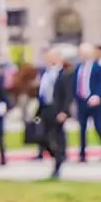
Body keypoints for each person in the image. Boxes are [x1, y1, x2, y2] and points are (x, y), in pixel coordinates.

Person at [35, 48, 73, 179]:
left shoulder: (64, 74)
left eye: (50, 57)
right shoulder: (45, 73)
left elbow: (68, 95)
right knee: (43, 136)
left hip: (57, 109)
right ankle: (56, 155)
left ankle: (59, 161)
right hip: (45, 108)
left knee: (58, 135)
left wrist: (64, 111)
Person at [73, 42, 101, 162]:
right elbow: (75, 84)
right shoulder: (78, 68)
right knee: (82, 128)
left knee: (99, 126)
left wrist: (97, 96)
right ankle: (82, 153)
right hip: (82, 101)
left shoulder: (97, 67)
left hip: (95, 101)